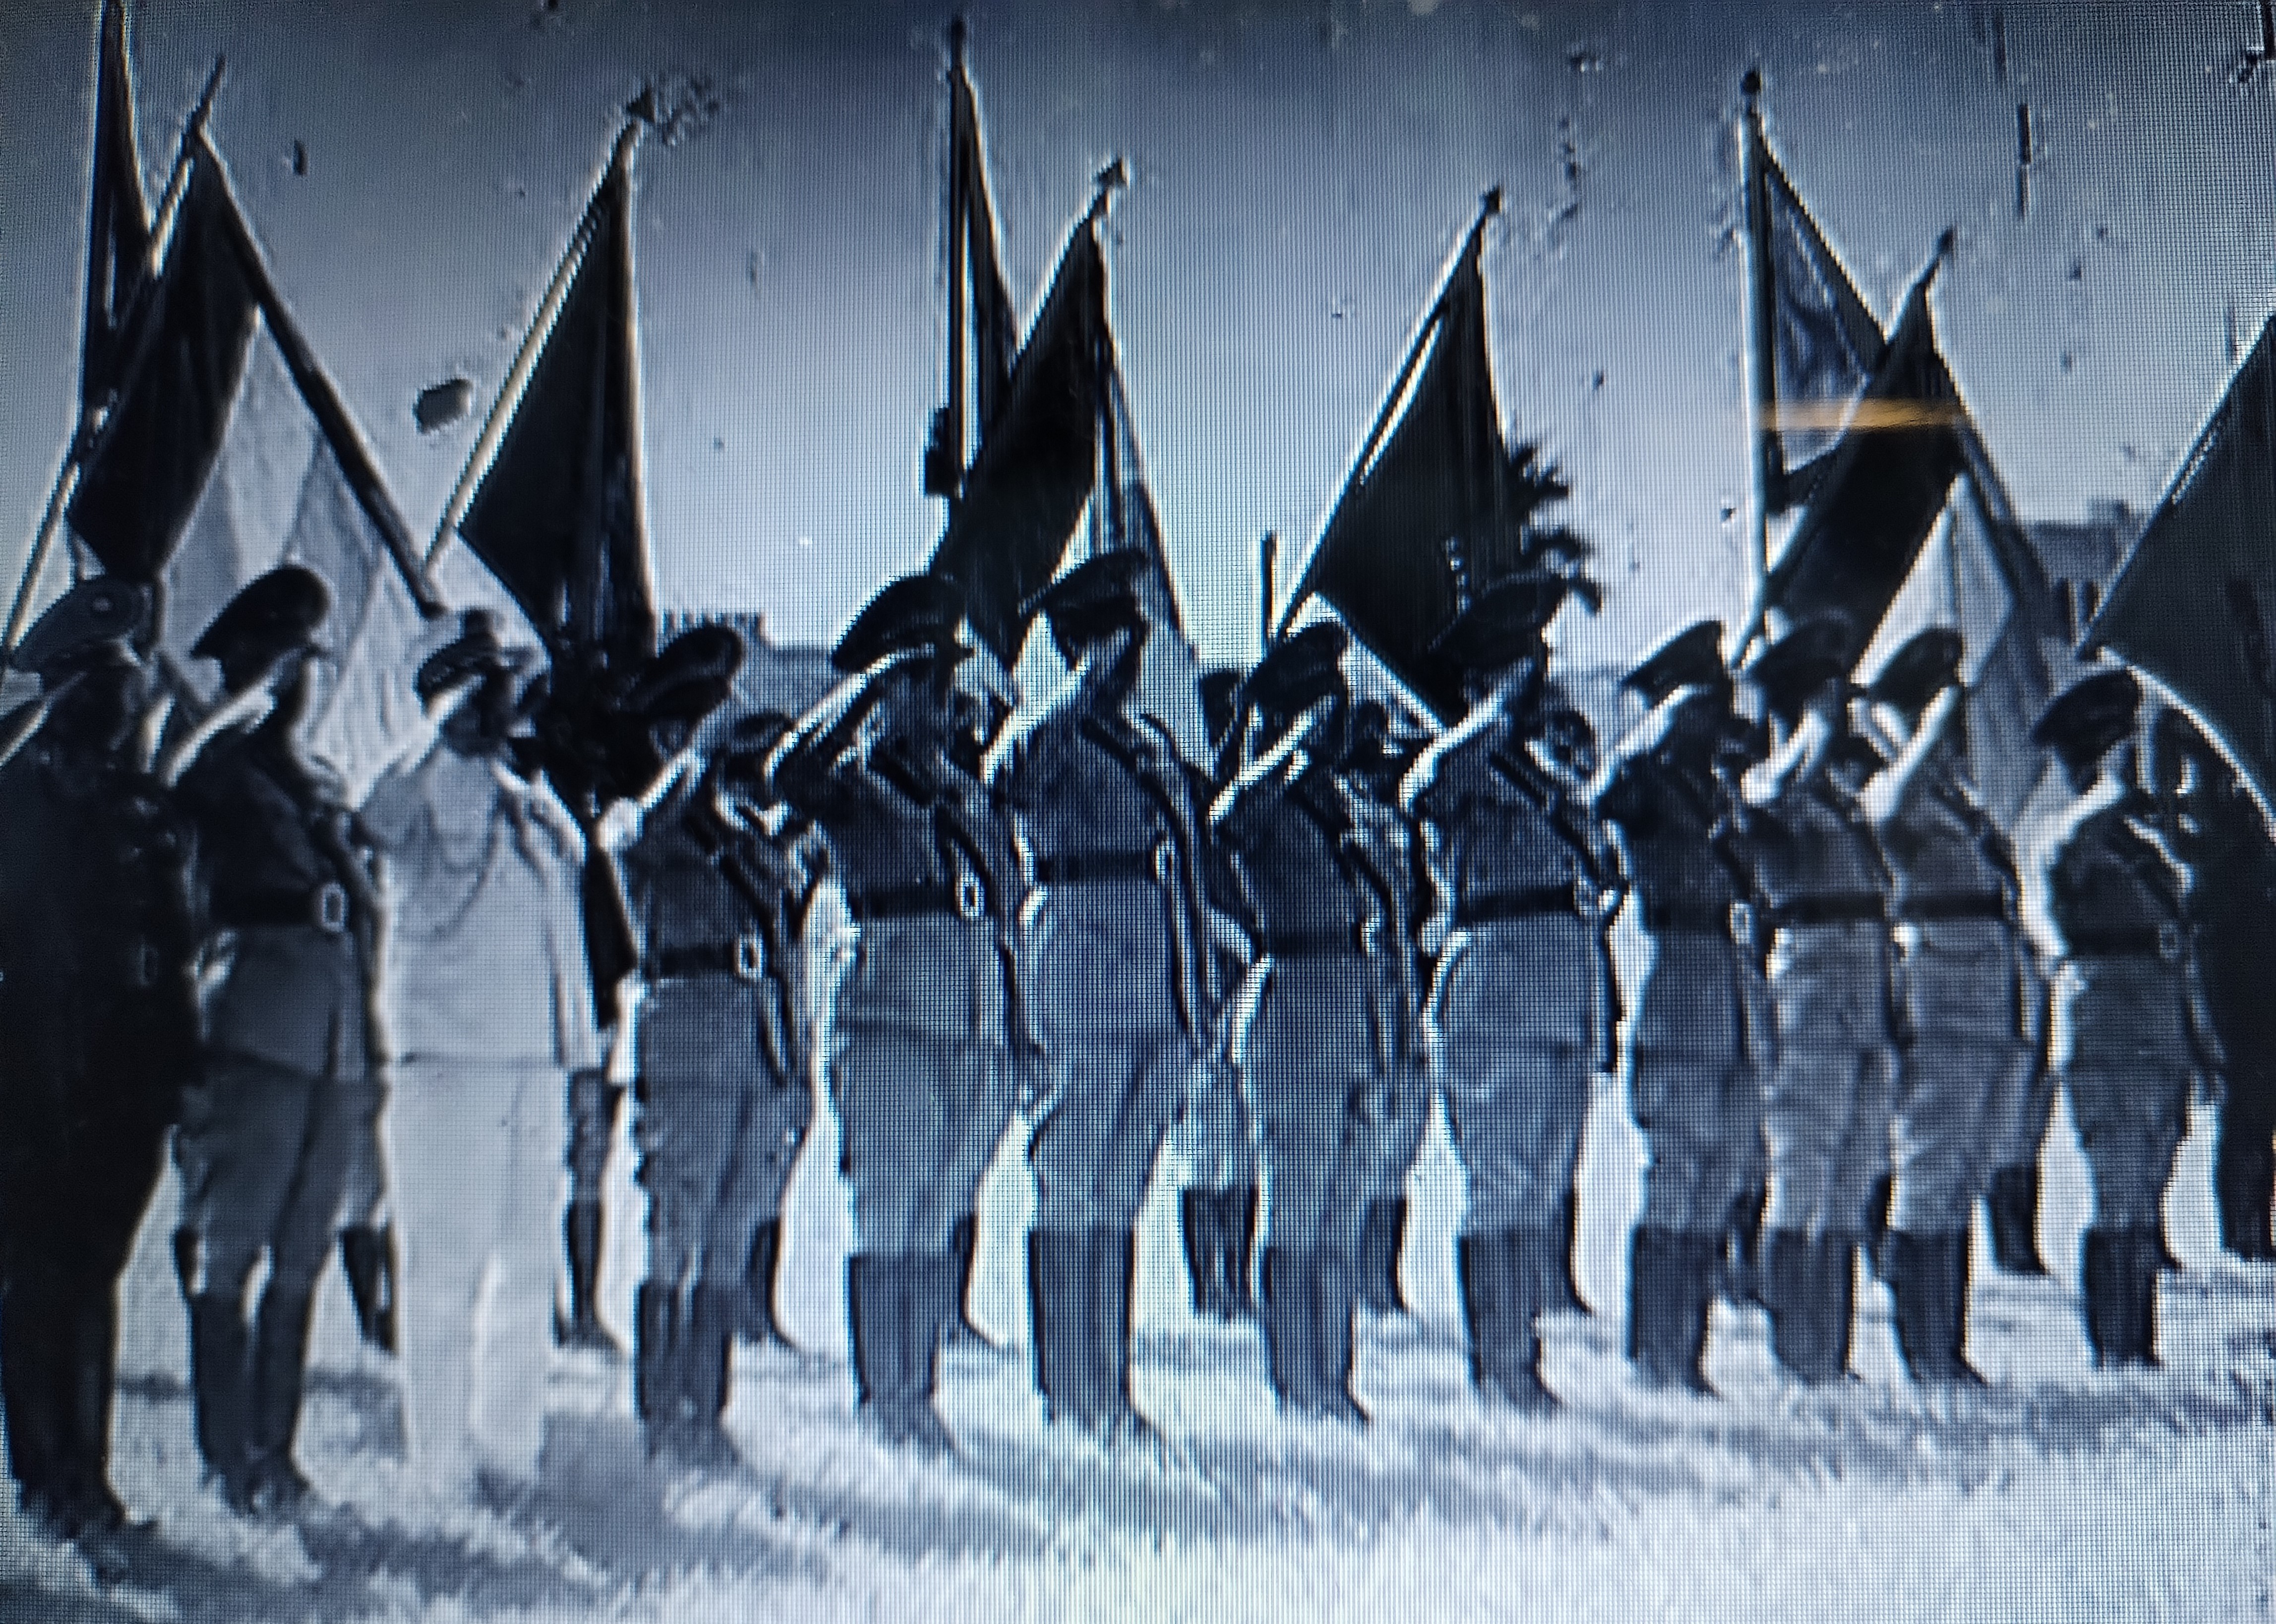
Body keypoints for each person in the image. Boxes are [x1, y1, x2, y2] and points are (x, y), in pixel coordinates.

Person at [358, 608, 604, 1504]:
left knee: (526, 1267)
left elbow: (566, 947)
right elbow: (371, 821)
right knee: (443, 1269)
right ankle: (442, 1468)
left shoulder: (533, 805)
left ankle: (510, 1452)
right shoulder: (417, 786)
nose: (504, 700)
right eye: (484, 685)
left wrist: (580, 1065)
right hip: (447, 1062)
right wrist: (438, 731)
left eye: (504, 684)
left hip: (532, 1067)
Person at [774, 574, 1024, 1453]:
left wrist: (1016, 1028)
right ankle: (886, 1402)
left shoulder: (963, 791)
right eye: (922, 683)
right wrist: (863, 691)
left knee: (936, 1214)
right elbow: (787, 776)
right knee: (890, 1211)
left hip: (971, 1022)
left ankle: (917, 1392)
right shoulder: (857, 784)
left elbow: (1003, 912)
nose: (940, 700)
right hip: (890, 1020)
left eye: (941, 682)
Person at [166, 566, 381, 1515]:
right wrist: (245, 703)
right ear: (245, 663)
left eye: (304, 665)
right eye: (282, 662)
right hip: (255, 1027)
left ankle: (276, 1456)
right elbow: (183, 786)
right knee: (231, 1250)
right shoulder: (219, 762)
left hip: (335, 1037)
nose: (300, 683)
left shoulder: (316, 776)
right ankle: (226, 1459)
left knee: (303, 1251)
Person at [0, 580, 197, 1555]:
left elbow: (175, 945)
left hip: (128, 1081)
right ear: (64, 695)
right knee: (39, 1279)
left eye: (130, 693)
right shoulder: (11, 801)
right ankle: (46, 1483)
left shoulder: (143, 807)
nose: (126, 710)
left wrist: (180, 1071)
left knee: (97, 1276)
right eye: (109, 693)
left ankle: (92, 1476)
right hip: (32, 1080)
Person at [999, 552, 1207, 1442]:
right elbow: (1012, 779)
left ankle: (1109, 1388)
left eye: (1134, 643)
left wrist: (1194, 995)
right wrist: (1077, 688)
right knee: (1070, 1181)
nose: (1130, 660)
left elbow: (1188, 870)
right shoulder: (1047, 732)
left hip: (1154, 978)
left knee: (1121, 1191)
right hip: (1080, 964)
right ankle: (1066, 1392)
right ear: (1082, 647)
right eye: (1116, 643)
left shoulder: (1147, 741)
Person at [1404, 576, 1609, 1412]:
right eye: (1521, 670)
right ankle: (1499, 1368)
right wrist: (1491, 712)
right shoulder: (1457, 762)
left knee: (1541, 1183)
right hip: (1495, 988)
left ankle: (1523, 1356)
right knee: (1500, 1179)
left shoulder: (1543, 776)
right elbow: (1426, 791)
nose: (1538, 685)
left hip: (1558, 990)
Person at [1210, 623, 1393, 1425]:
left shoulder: (1342, 805)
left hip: (1353, 1012)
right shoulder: (1270, 799)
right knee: (1297, 1203)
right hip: (1293, 1011)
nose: (1337, 727)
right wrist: (1286, 750)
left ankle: (1334, 1376)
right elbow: (1226, 821)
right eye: (1323, 712)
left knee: (1342, 1209)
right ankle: (1295, 1383)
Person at [1597, 620, 1762, 1393]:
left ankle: (1685, 1356)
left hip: (1726, 982)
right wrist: (1657, 727)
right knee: (1678, 1168)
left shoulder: (1713, 790)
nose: (1713, 720)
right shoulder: (1643, 781)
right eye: (1699, 706)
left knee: (1720, 1171)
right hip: (1674, 979)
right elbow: (1603, 798)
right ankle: (1652, 1355)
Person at [1735, 617, 1899, 1387]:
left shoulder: (1840, 796)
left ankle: (1829, 1352)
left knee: (1851, 1174)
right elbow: (1769, 796)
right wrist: (1813, 729)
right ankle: (1794, 1353)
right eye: (1827, 697)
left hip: (1864, 984)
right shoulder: (1768, 782)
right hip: (1812, 982)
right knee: (1802, 1169)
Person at [1859, 629, 2026, 1385]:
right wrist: (1922, 732)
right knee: (1928, 1173)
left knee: (1963, 1173)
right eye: (1937, 718)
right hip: (1941, 1003)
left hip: (1989, 1003)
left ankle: (1947, 1346)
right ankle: (1921, 1351)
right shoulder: (1893, 795)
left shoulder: (1957, 806)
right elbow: (1889, 809)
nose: (1952, 739)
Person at [2036, 672, 2216, 1367]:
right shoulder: (2072, 834)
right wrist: (2115, 785)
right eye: (2117, 748)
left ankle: (2138, 1340)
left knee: (2149, 1181)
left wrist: (2198, 1040)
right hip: (2107, 1014)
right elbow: (2071, 853)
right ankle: (2113, 1347)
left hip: (2157, 1012)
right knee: (2117, 1183)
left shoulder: (2141, 839)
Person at [2152, 709, 2276, 1263]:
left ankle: (2255, 1227)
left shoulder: (2246, 788)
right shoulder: (2199, 792)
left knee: (2261, 1094)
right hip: (2226, 947)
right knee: (2246, 1092)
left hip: (2261, 941)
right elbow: (2180, 839)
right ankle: (2243, 1230)